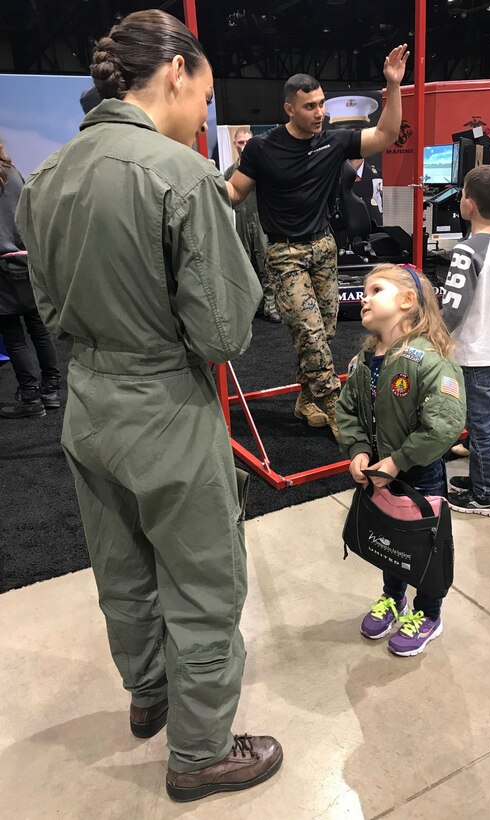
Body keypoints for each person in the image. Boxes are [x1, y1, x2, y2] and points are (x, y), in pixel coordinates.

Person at [15, 10, 282, 803]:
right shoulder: (179, 173)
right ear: (174, 74)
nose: (204, 113)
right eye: (203, 96)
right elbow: (225, 329)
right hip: (163, 405)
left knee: (123, 568)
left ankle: (150, 692)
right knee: (203, 586)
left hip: (88, 402)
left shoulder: (49, 174)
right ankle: (199, 754)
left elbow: (48, 309)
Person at [225, 46, 409, 437]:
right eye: (310, 106)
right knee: (309, 335)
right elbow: (235, 193)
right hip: (284, 252)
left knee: (324, 334)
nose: (320, 113)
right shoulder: (262, 148)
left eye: (322, 104)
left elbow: (387, 134)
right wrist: (190, 179)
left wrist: (393, 85)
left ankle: (307, 400)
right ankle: (338, 410)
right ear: (289, 108)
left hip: (323, 247)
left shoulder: (334, 141)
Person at [335, 264, 466, 657]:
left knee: (423, 544)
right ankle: (393, 596)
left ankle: (428, 614)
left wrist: (397, 461)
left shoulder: (429, 361)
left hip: (418, 472)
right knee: (389, 538)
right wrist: (358, 448)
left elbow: (445, 424)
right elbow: (347, 410)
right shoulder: (363, 360)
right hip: (379, 472)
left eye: (376, 290)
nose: (364, 298)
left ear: (408, 301)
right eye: (364, 290)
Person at [440, 165, 490, 517]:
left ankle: (488, 496)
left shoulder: (467, 251)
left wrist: (433, 333)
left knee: (482, 425)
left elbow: (453, 307)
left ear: (467, 204)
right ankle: (488, 480)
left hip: (476, 355)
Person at [0, 142, 60, 419]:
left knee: (14, 338)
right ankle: (51, 392)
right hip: (27, 260)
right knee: (39, 329)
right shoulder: (13, 173)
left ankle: (30, 397)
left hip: (2, 267)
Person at [224, 128, 280, 322]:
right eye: (241, 143)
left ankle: (271, 306)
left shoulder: (262, 166)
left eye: (248, 142)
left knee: (266, 263)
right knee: (247, 266)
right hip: (241, 222)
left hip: (260, 221)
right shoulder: (231, 172)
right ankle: (255, 306)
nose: (245, 146)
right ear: (235, 145)